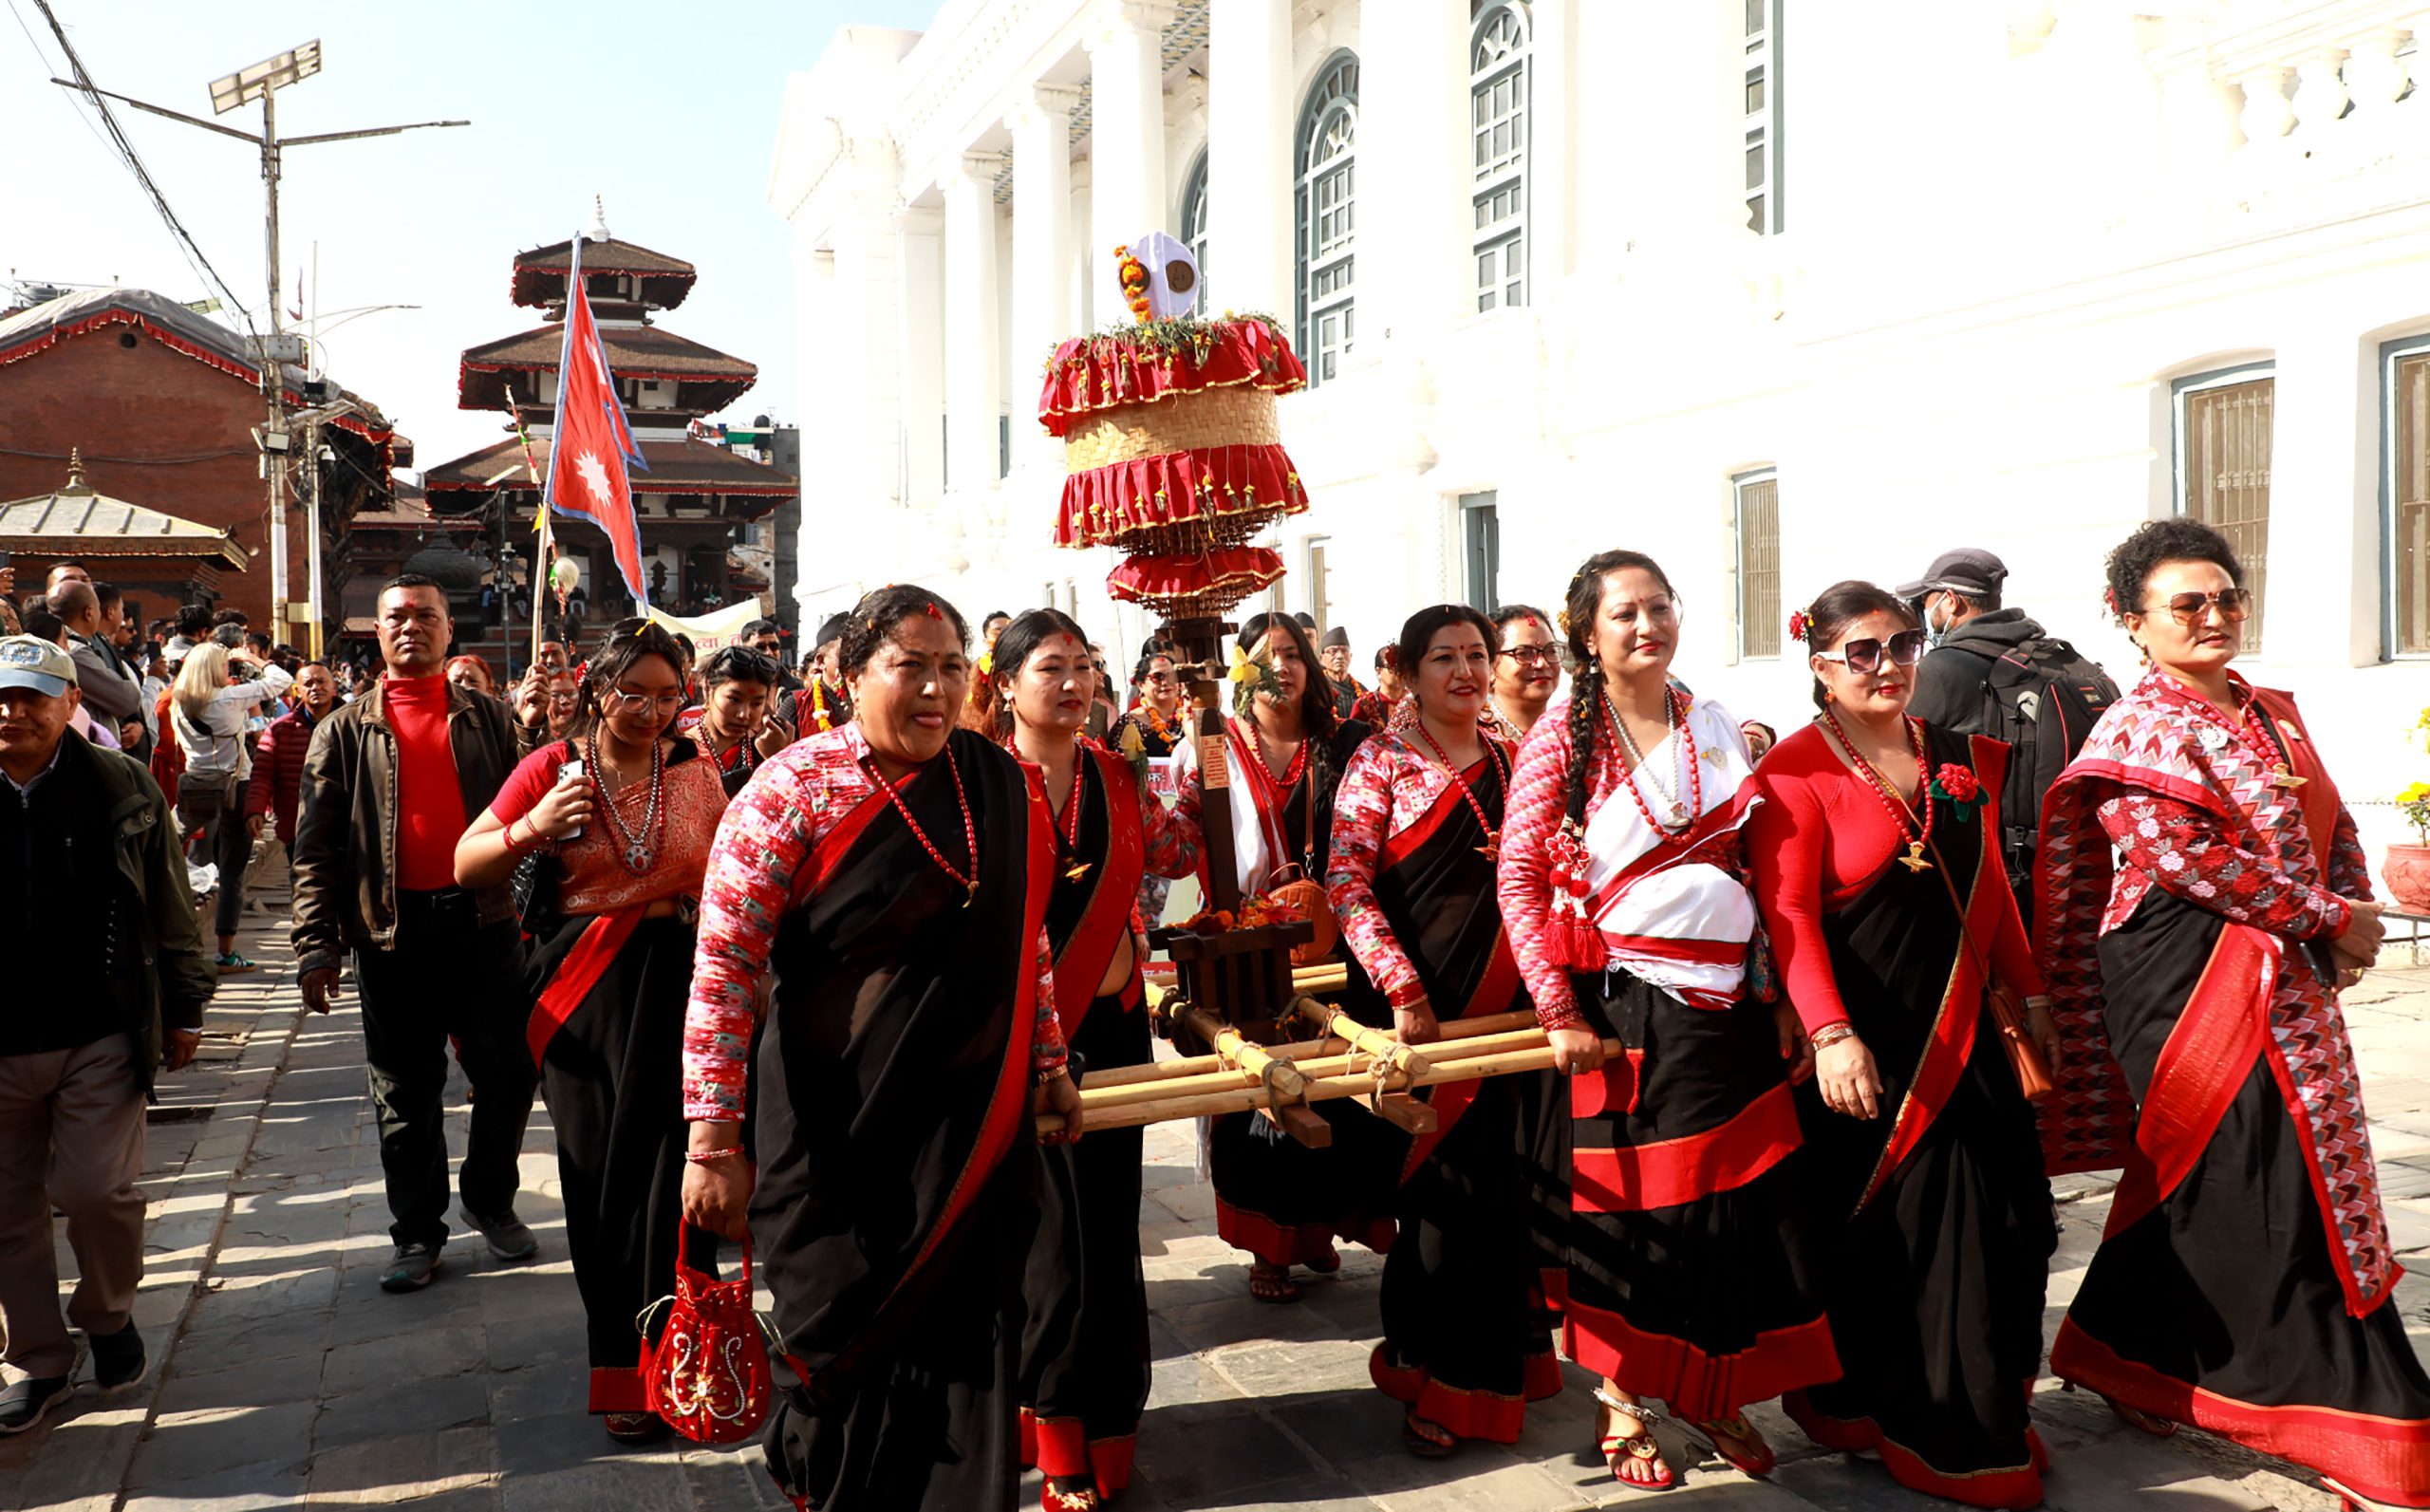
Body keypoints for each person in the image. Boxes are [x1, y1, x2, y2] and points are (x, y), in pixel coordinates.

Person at [2037, 519, 2430, 1507]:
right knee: (2260, 1177)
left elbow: (2327, 819)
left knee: (2258, 1174)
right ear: (2133, 623)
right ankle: (2341, 1407)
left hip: (2285, 971)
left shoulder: (2270, 710)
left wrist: (2345, 913)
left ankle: (2127, 1353)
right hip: (2182, 981)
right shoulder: (2135, 730)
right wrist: (2331, 917)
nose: (2213, 617)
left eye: (2225, 597)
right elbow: (2186, 860)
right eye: (2187, 604)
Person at [681, 585, 1081, 1512]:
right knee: (835, 1358)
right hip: (832, 1138)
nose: (937, 689)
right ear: (851, 675)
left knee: (970, 1353)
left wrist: (1052, 1061)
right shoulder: (791, 788)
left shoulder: (997, 780)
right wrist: (710, 1139)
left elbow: (1028, 938)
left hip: (971, 1127)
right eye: (911, 666)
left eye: (951, 669)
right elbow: (725, 966)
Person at [1496, 552, 1834, 1489]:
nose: (1646, 625)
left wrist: (1775, 995)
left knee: (1734, 1208)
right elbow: (1518, 879)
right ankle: (1620, 1399)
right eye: (1623, 614)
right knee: (1649, 1206)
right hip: (1623, 1007)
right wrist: (1556, 1008)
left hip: (1726, 1004)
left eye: (1659, 607)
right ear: (1586, 634)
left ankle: (1712, 1388)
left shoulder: (1706, 720)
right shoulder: (1563, 739)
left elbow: (1748, 871)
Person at [1748, 580, 2063, 1508]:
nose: (1887, 665)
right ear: (1821, 668)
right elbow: (1790, 917)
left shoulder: (1959, 757)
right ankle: (1928, 1424)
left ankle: (1993, 1408)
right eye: (1862, 652)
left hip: (1970, 1034)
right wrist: (1830, 1034)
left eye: (1900, 644)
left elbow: (1988, 893)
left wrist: (2034, 989)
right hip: (1872, 1059)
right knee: (1921, 1243)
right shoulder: (1793, 774)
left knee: (2013, 1226)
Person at [456, 619, 728, 1441]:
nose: (650, 710)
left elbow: (729, 876)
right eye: (632, 691)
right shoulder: (551, 767)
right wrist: (533, 825)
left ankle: (688, 1359)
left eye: (667, 694)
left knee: (679, 1181)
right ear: (596, 687)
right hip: (580, 1001)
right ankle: (620, 1369)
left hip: (680, 994)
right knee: (602, 1188)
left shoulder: (696, 767)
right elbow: (471, 862)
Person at [1328, 605, 1566, 1457]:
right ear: (1408, 669)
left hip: (1510, 1008)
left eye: (1477, 654)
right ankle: (1427, 1371)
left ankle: (1499, 1372)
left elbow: (1548, 872)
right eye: (1445, 657)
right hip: (1419, 1019)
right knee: (1439, 1207)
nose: (1465, 671)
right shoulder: (1378, 762)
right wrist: (1399, 986)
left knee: (1503, 1201)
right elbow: (1346, 887)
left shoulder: (1514, 758)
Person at [991, 609, 1199, 1510]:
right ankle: (1053, 1426)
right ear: (1003, 684)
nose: (1073, 683)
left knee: (1110, 1236)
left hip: (1112, 1033)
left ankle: (1108, 1425)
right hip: (1014, 1043)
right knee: (1045, 1246)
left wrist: (1209, 756)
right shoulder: (981, 780)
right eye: (1050, 667)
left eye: (1083, 666)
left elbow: (1181, 853)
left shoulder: (1122, 775)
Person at [290, 574, 539, 1292]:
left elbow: (527, 810)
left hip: (486, 924)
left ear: (448, 629)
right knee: (404, 1090)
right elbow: (316, 847)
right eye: (397, 616)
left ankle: (490, 1199)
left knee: (510, 1072)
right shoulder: (342, 729)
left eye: (426, 615)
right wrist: (317, 942)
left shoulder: (490, 719)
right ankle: (418, 1232)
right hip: (390, 935)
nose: (411, 627)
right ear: (376, 629)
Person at [0, 635, 213, 1434]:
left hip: (99, 1029)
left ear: (69, 705)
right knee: (6, 1212)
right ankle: (36, 1358)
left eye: (31, 697)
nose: (12, 711)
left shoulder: (117, 784)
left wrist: (187, 1002)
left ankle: (108, 1310)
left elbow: (168, 897)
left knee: (95, 1191)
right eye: (1, 697)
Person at [1175, 611, 1386, 1302]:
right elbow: (1188, 822)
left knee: (1335, 1098)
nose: (1283, 668)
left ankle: (1317, 1230)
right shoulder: (1216, 744)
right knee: (1256, 1098)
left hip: (1335, 940)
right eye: (1264, 656)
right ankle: (1270, 1246)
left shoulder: (1347, 742)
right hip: (1247, 948)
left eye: (1294, 653)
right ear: (1239, 672)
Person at [1898, 546, 2121, 923]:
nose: (1925, 614)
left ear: (1950, 602)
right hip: (2070, 860)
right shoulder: (2054, 658)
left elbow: (1891, 751)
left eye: (1926, 602)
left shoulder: (1941, 669)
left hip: (1989, 868)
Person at [169, 643, 292, 971]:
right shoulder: (228, 698)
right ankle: (226, 952)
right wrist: (251, 657)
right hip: (236, 785)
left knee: (167, 846)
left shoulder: (178, 702)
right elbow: (281, 680)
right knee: (233, 869)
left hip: (196, 785)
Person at [244, 661, 338, 870]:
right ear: (298, 690)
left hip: (345, 824)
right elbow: (263, 774)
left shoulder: (353, 725)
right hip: (297, 823)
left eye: (322, 682)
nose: (316, 688)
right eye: (308, 683)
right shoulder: (281, 729)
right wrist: (255, 810)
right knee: (305, 888)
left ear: (334, 687)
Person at [677, 645, 792, 796]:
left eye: (756, 703)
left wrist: (781, 759)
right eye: (734, 699)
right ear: (708, 689)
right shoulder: (679, 753)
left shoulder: (766, 749)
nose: (744, 714)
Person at [51, 580, 147, 758]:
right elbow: (127, 698)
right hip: (87, 754)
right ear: (89, 613)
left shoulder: (91, 644)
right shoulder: (74, 652)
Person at [1486, 604, 1560, 738]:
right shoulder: (1475, 742)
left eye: (1551, 651)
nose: (1542, 663)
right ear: (1490, 667)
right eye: (1524, 653)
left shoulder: (1571, 736)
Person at [793, 612, 851, 736]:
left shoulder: (871, 699)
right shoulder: (797, 704)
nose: (851, 661)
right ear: (821, 661)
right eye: (844, 655)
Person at [1346, 646, 1406, 729]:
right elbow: (1353, 737)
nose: (1399, 672)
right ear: (1378, 671)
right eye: (1393, 667)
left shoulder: (1416, 701)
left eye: (1403, 667)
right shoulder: (1365, 703)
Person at [743, 618, 806, 692]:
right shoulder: (735, 685)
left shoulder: (798, 689)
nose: (769, 653)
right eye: (760, 647)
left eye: (774, 646)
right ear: (744, 650)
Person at [1318, 625, 1363, 720]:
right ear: (1321, 658)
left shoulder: (1362, 691)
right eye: (1333, 651)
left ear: (1350, 656)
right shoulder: (1317, 689)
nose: (1339, 656)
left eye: (1344, 651)